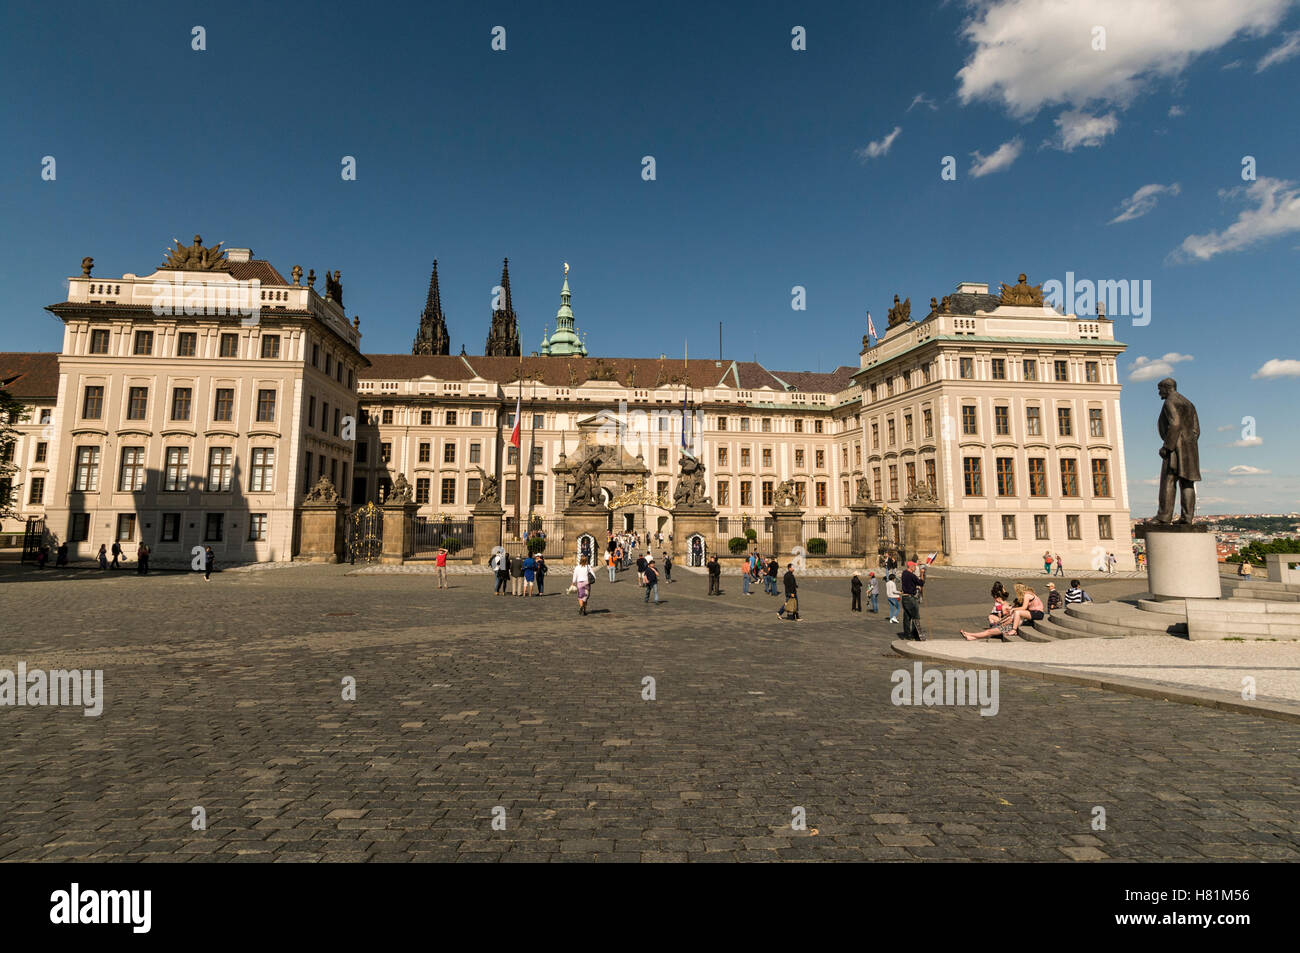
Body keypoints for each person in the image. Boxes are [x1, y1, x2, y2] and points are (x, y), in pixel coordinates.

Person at [900, 560, 924, 641]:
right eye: (914, 567)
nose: (915, 568)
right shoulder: (912, 576)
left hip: (904, 597)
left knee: (906, 617)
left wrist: (916, 564)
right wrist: (922, 573)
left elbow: (910, 568)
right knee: (915, 616)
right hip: (910, 598)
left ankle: (907, 635)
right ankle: (916, 635)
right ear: (911, 567)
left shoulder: (904, 573)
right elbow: (921, 583)